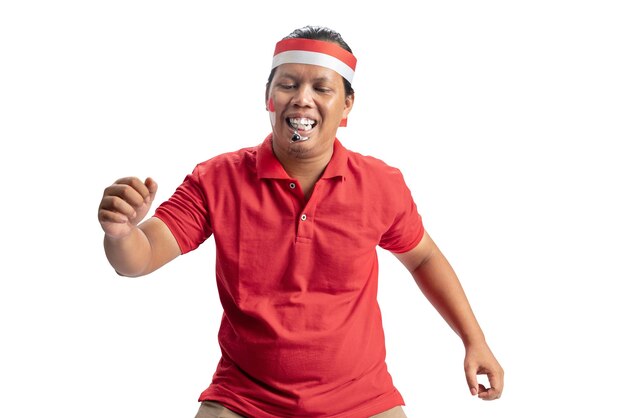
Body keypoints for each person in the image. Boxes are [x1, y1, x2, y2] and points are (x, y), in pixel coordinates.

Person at [98, 26, 503, 418]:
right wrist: (121, 233)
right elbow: (138, 258)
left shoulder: (382, 184)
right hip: (243, 399)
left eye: (322, 88)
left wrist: (475, 341)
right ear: (269, 97)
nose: (302, 100)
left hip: (361, 400)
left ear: (346, 106)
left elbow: (423, 258)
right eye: (288, 85)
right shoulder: (216, 179)